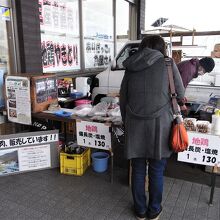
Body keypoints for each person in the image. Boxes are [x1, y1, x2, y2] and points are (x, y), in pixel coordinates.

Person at [119, 35, 185, 220]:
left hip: (135, 124)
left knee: (138, 168)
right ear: (161, 47)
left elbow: (123, 98)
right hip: (161, 125)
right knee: (156, 170)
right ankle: (154, 210)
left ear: (143, 46)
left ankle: (140, 210)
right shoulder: (167, 63)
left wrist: (128, 120)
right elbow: (180, 93)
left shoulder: (130, 65)